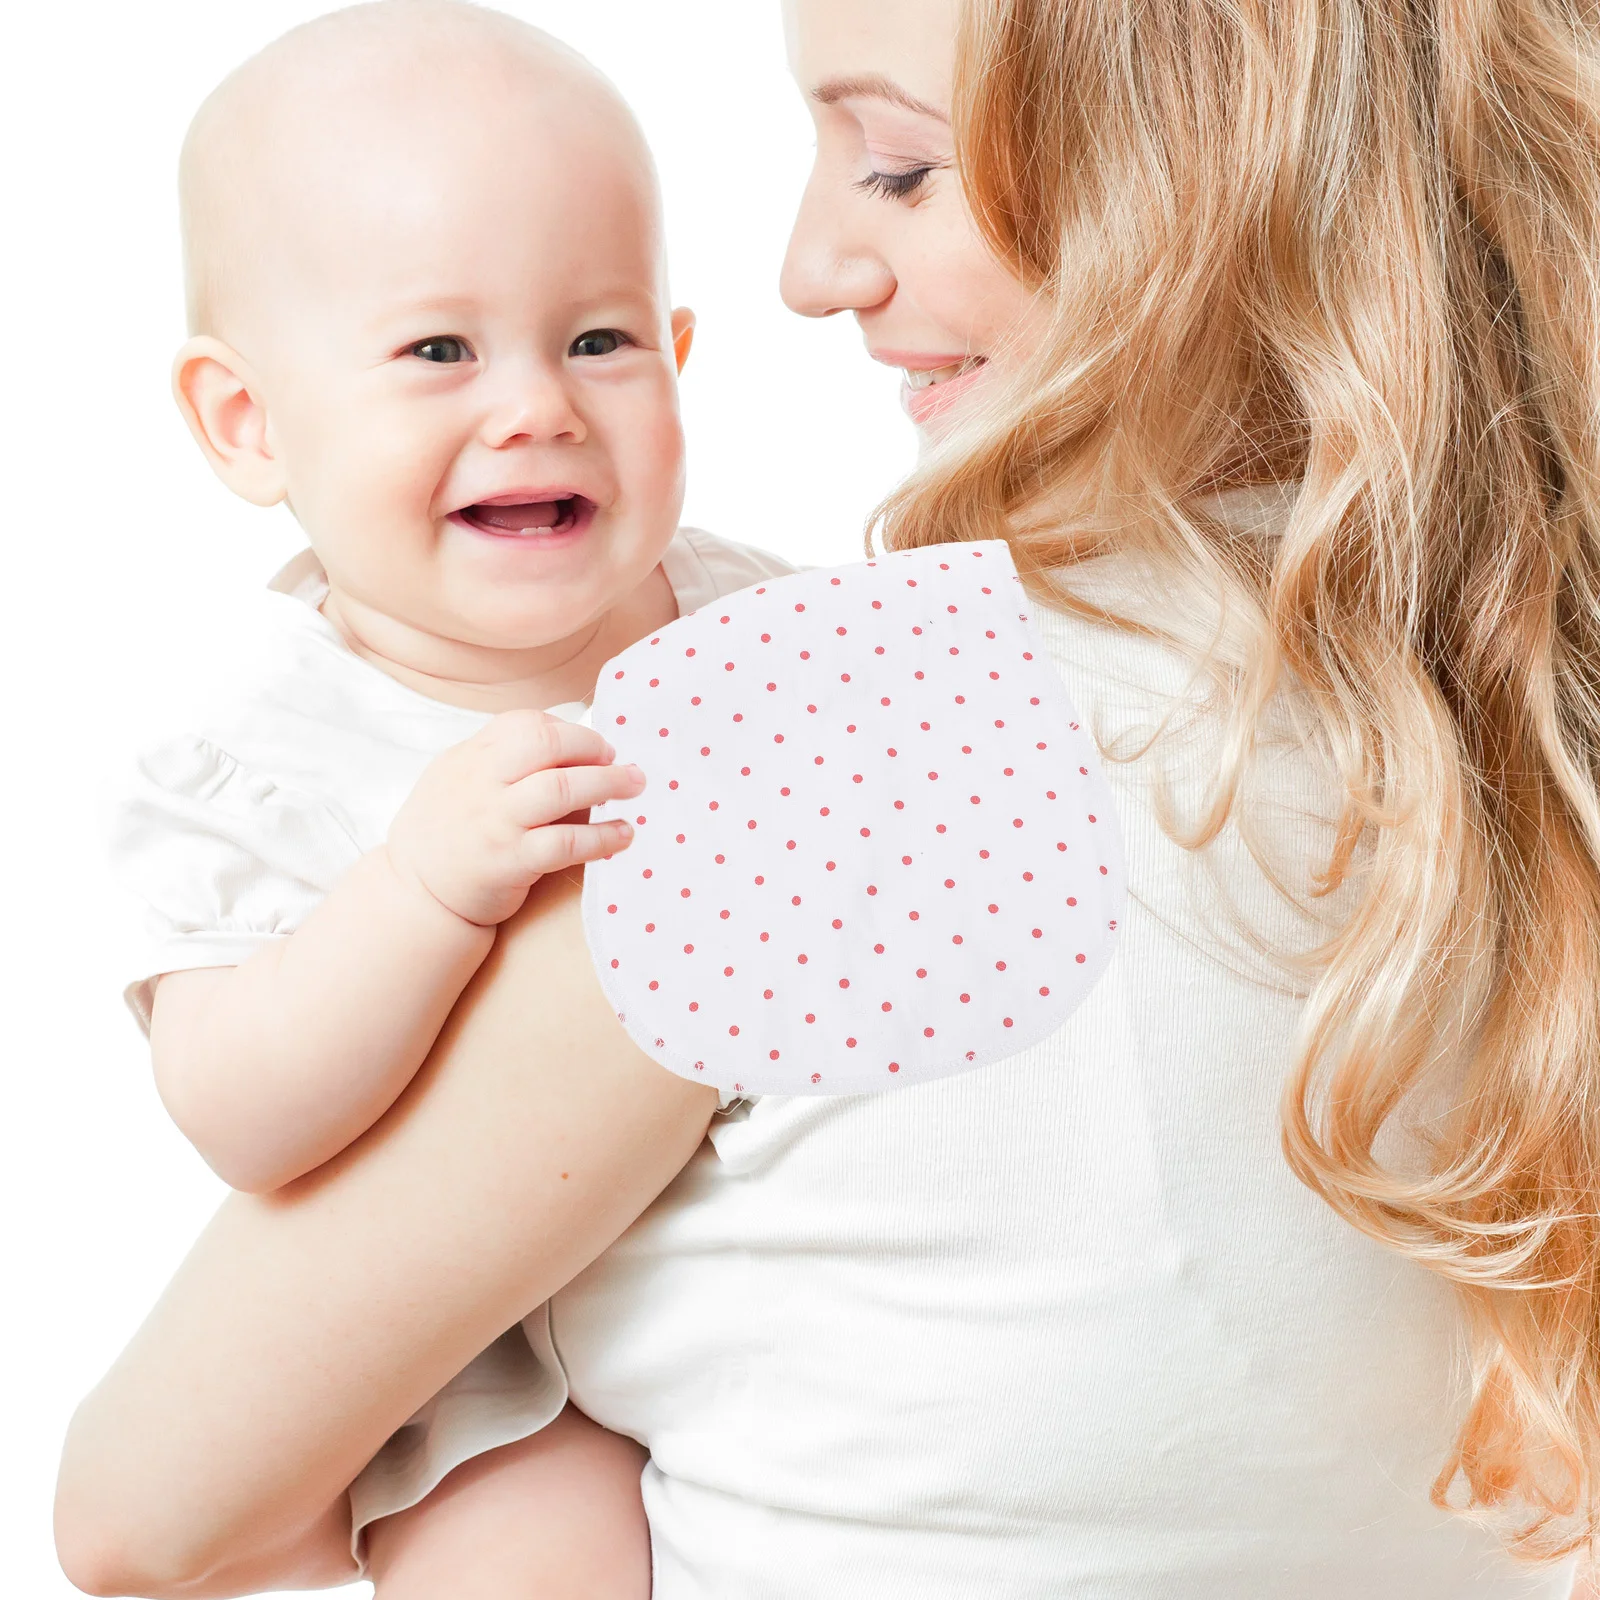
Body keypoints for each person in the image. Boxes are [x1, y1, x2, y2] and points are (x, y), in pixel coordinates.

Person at [56, 0, 1600, 1594]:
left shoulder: (819, 730)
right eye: (438, 350)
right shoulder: (1525, 711)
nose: (807, 268)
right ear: (243, 421)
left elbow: (137, 1519)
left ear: (1202, 169)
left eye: (898, 168)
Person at [104, 3, 791, 1592]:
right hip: (496, 1357)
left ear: (680, 356)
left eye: (600, 340)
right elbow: (244, 1118)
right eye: (438, 351)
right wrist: (419, 894)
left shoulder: (756, 628)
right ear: (248, 421)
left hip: (765, 1261)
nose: (537, 404)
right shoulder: (256, 748)